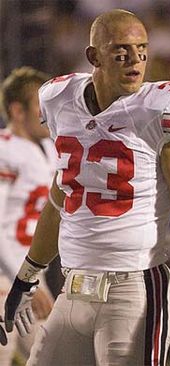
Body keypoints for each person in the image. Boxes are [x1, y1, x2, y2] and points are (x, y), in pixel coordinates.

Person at [3, 10, 170, 366]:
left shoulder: (160, 111)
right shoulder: (61, 101)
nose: (135, 61)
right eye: (121, 51)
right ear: (94, 57)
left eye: (142, 50)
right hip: (72, 291)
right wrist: (27, 275)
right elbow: (61, 201)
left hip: (133, 292)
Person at [0, 67, 56, 365]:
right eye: (40, 105)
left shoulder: (49, 148)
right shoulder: (4, 149)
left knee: (48, 355)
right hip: (5, 277)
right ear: (17, 110)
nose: (47, 114)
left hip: (30, 276)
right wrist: (27, 283)